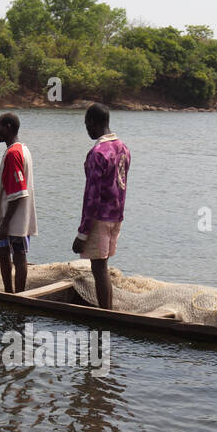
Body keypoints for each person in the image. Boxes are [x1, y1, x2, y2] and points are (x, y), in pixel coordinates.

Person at [73, 103, 130, 310]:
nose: (86, 129)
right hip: (116, 216)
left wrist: (82, 234)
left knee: (98, 268)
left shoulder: (98, 153)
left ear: (92, 123)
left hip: (100, 218)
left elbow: (92, 197)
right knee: (103, 266)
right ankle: (108, 310)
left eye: (87, 124)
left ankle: (105, 315)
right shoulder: (123, 148)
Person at [0, 113, 37, 293]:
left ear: (8, 127)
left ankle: (17, 295)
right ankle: (9, 292)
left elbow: (19, 192)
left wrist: (5, 224)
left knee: (19, 256)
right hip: (15, 218)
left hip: (15, 220)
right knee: (3, 253)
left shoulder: (14, 153)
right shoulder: (21, 149)